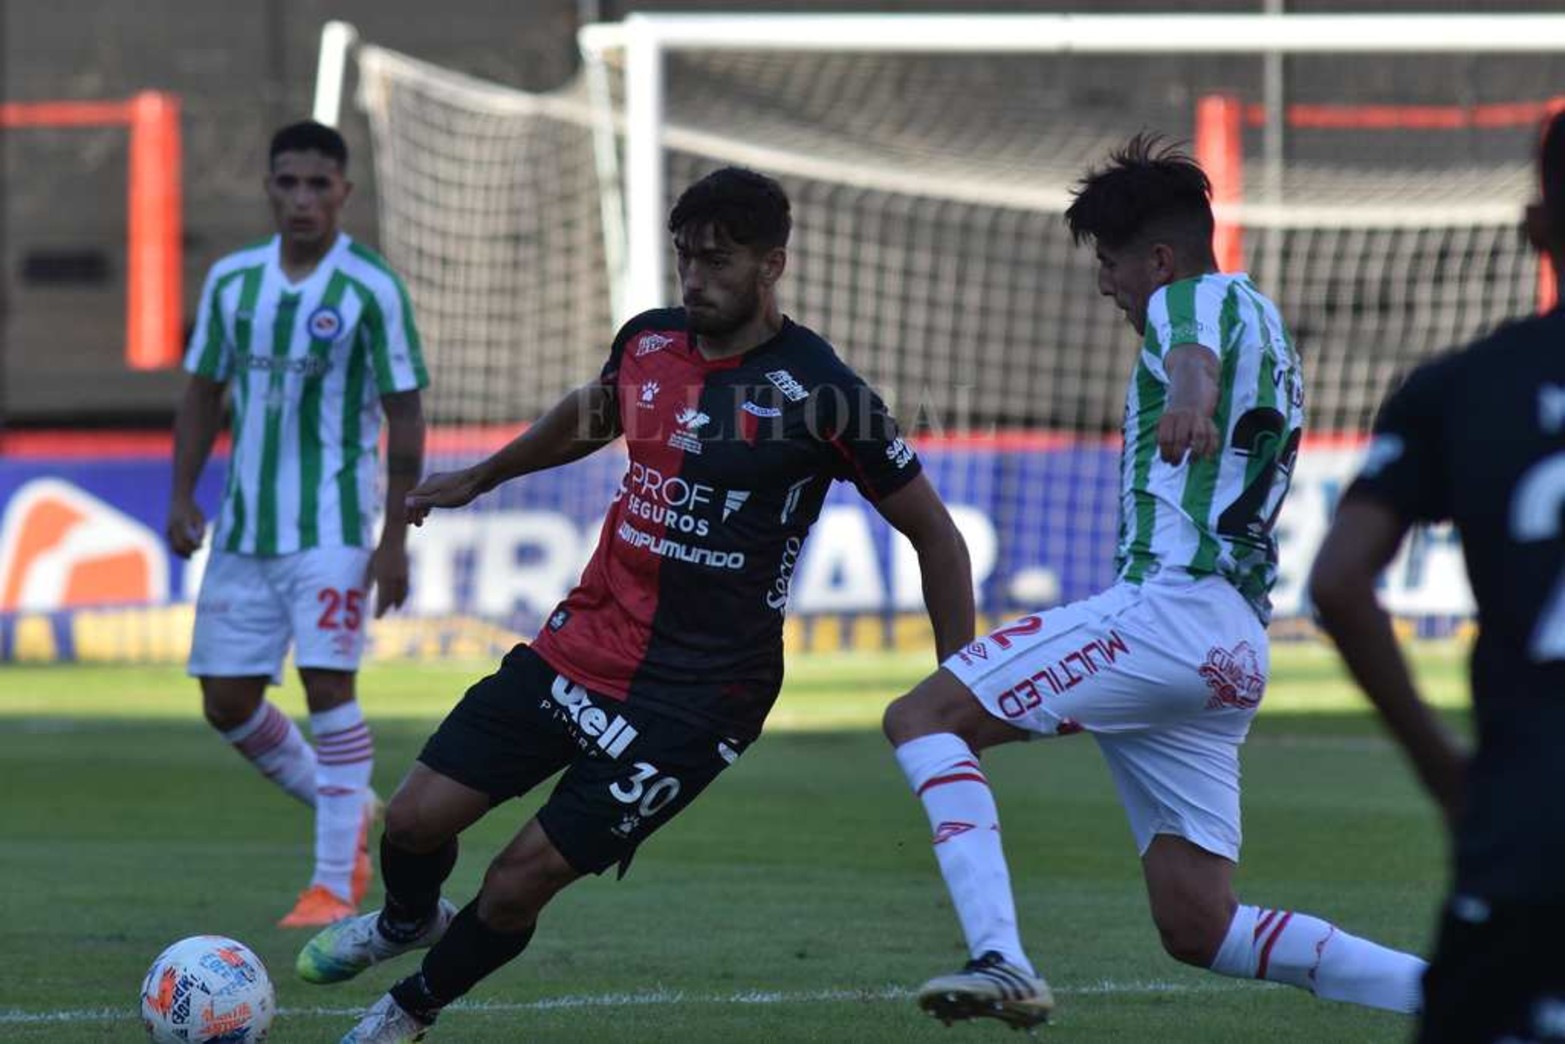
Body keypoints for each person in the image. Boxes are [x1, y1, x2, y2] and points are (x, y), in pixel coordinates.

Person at [294, 165, 975, 1043]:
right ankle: (405, 921)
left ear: (771, 265)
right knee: (414, 820)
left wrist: (960, 688)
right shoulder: (650, 342)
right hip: (580, 646)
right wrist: (482, 476)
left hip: (697, 698)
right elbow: (597, 411)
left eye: (717, 261)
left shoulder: (823, 393)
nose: (694, 279)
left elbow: (937, 539)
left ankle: (404, 1012)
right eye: (684, 257)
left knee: (516, 881)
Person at [881, 135, 1427, 1029]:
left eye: (1110, 262)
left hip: (1167, 613)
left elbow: (1190, 362)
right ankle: (1462, 997)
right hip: (1231, 642)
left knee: (921, 718)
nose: (1106, 284)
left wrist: (1187, 402)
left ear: (1160, 259)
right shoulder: (1265, 320)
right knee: (1200, 926)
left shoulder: (1187, 300)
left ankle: (1001, 958)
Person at [1310, 110, 1565, 1044]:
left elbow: (1338, 581)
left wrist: (1444, 772)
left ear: (1535, 226)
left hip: (1524, 831)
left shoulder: (1457, 389)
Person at [166, 120, 428, 928]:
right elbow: (203, 392)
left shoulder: (371, 289)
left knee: (327, 685)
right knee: (226, 702)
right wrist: (181, 495)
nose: (303, 199)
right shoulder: (232, 282)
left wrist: (392, 540)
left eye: (319, 184)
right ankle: (351, 806)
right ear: (269, 189)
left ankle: (332, 886)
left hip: (332, 526)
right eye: (288, 183)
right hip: (245, 529)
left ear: (344, 192)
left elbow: (406, 413)